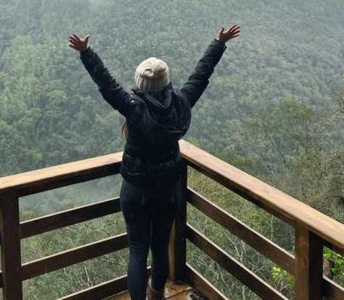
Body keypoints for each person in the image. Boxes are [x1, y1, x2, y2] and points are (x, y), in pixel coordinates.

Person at [68, 24, 240, 300]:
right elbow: (201, 74)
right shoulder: (182, 103)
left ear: (140, 83)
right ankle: (157, 294)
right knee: (160, 247)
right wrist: (218, 43)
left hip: (136, 189)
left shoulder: (133, 107)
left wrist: (86, 52)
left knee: (137, 249)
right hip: (167, 189)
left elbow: (106, 83)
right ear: (166, 82)